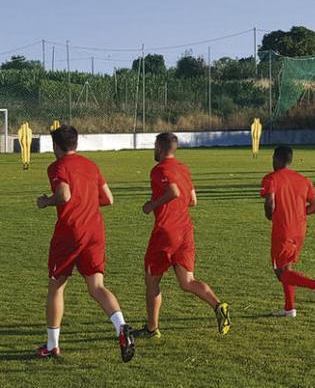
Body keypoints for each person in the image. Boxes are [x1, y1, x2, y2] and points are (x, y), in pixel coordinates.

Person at [34, 125, 135, 361]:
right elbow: (108, 199)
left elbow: (64, 195)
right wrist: (87, 201)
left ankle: (52, 345)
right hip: (95, 231)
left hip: (71, 232)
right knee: (97, 287)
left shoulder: (57, 166)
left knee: (56, 286)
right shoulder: (91, 165)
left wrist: (46, 202)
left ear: (56, 146)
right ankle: (121, 327)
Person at [133, 133, 230, 340]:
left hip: (166, 233)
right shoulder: (183, 168)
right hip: (185, 230)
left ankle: (151, 329)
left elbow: (174, 192)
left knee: (152, 282)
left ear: (159, 147)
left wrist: (152, 205)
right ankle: (218, 305)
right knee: (187, 282)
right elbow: (193, 200)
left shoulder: (159, 170)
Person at [261, 146, 315, 318]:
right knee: (287, 268)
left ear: (276, 159)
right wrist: (299, 214)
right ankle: (289, 308)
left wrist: (270, 214)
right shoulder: (303, 180)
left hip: (283, 230)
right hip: (299, 231)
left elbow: (270, 202)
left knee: (281, 273)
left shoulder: (271, 179)